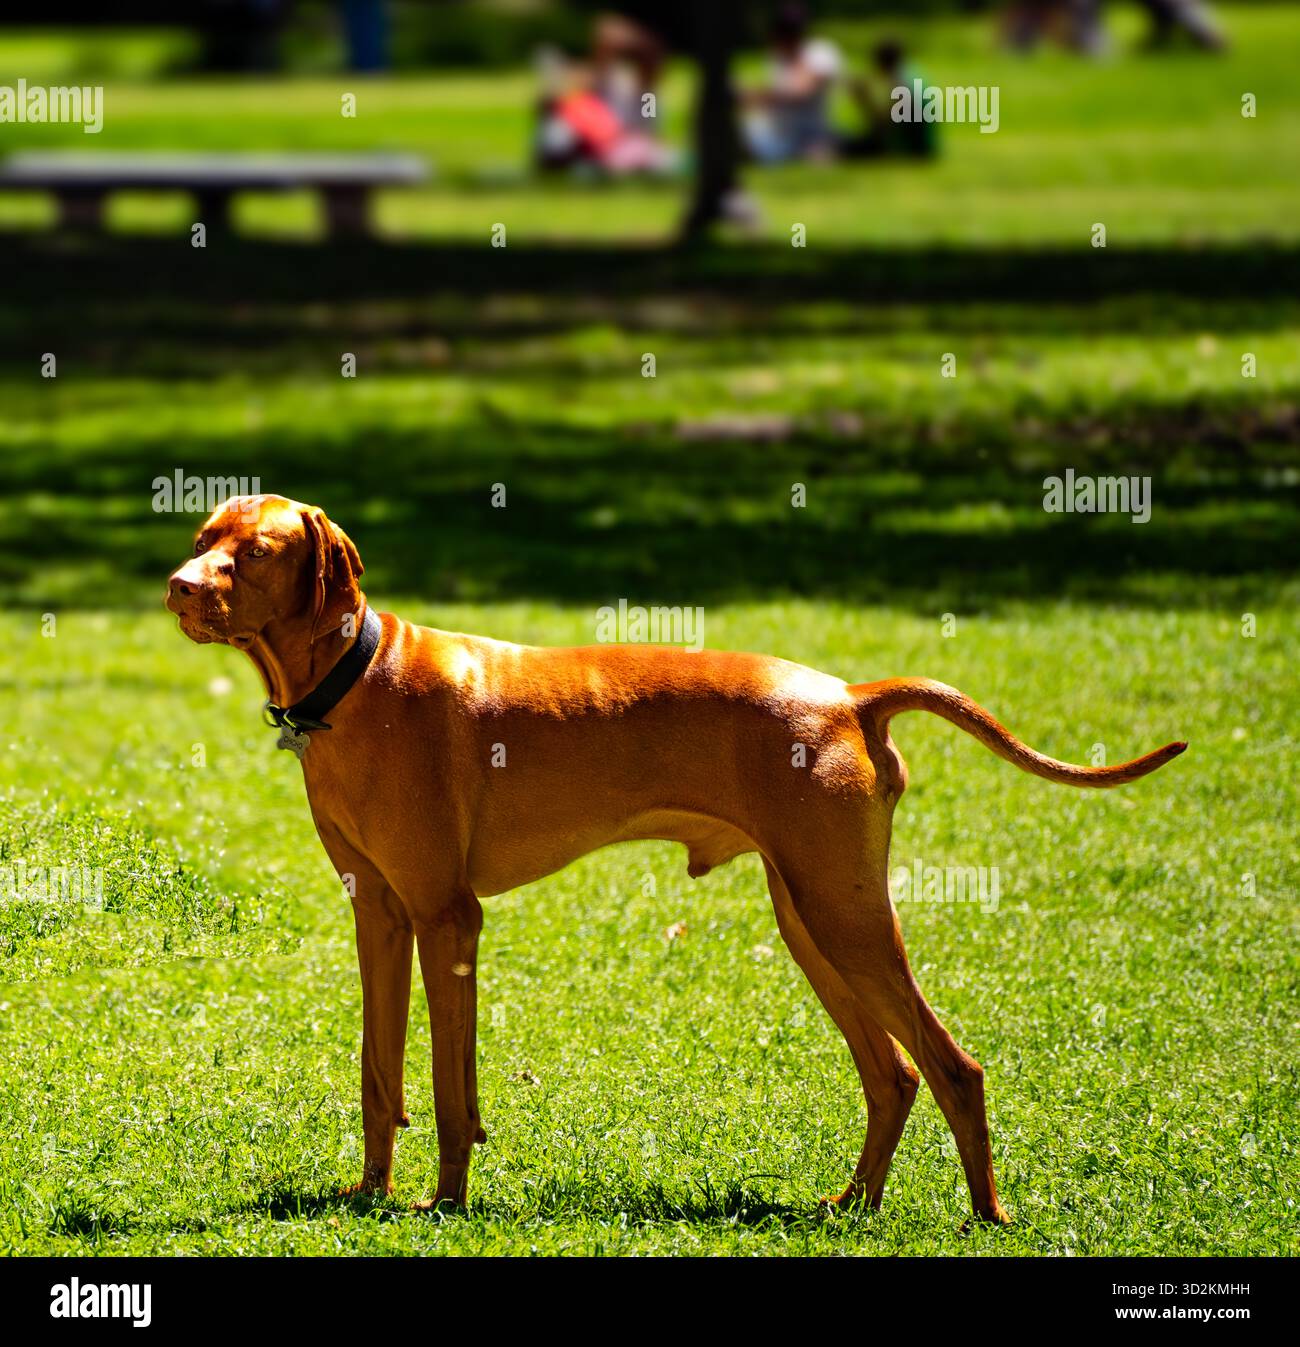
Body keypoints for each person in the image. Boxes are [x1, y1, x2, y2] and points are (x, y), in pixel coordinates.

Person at [742, 3, 844, 164]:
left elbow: (801, 92)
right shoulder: (777, 57)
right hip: (778, 129)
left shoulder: (820, 53)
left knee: (817, 153)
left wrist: (756, 96)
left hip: (810, 131)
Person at [843, 40, 939, 161]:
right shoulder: (912, 73)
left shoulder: (903, 84)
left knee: (846, 145)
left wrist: (863, 99)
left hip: (910, 149)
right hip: (925, 145)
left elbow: (882, 124)